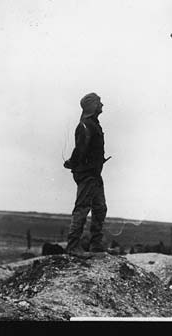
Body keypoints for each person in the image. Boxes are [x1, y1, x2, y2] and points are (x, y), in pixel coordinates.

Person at [63, 92, 109, 257]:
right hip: (88, 174)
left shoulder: (92, 124)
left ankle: (96, 245)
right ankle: (73, 246)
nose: (102, 105)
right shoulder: (85, 125)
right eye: (99, 102)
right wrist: (73, 163)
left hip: (95, 174)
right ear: (93, 106)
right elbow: (80, 150)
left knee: (100, 208)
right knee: (82, 208)